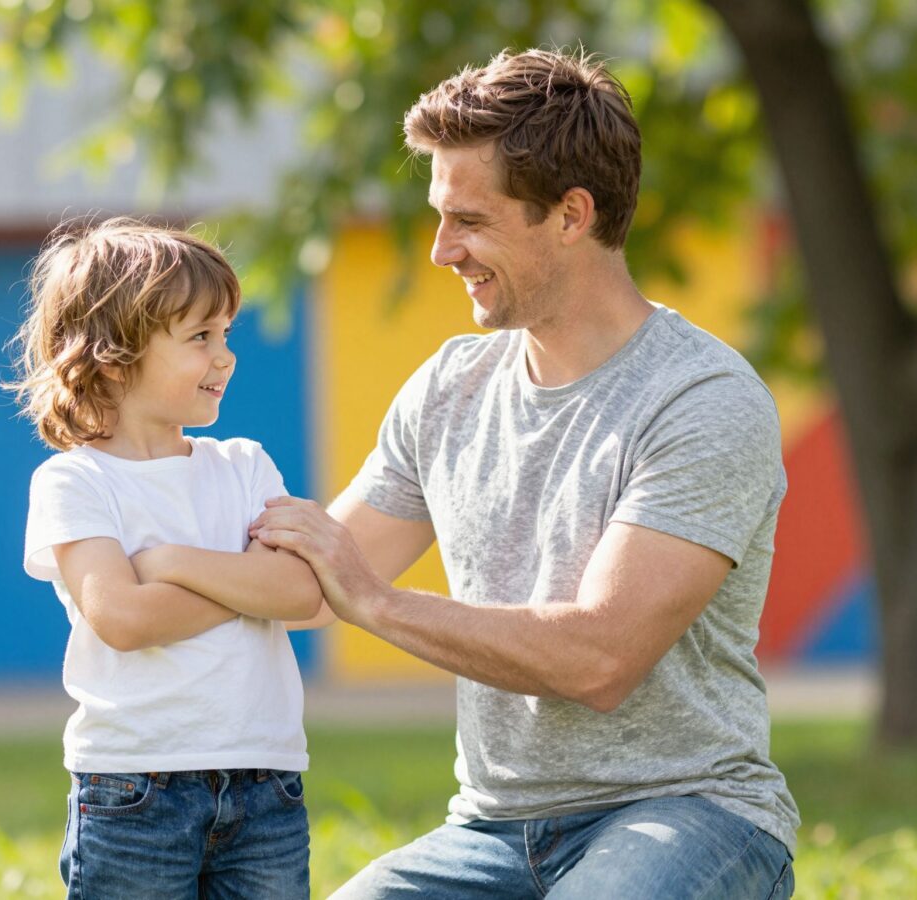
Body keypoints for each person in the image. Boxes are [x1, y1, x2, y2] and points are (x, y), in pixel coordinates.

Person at [255, 48, 799, 898]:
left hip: (688, 813)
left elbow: (599, 658)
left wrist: (378, 602)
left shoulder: (701, 398)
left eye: (469, 220)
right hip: (490, 831)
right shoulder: (449, 388)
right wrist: (130, 533)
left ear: (572, 214)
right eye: (440, 217)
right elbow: (310, 583)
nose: (441, 251)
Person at [12, 218, 333, 899]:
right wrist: (248, 582)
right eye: (200, 338)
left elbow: (302, 595)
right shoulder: (75, 483)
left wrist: (170, 560)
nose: (227, 356)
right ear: (114, 354)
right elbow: (124, 618)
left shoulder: (244, 466)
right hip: (135, 791)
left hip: (266, 783)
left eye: (226, 335)